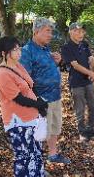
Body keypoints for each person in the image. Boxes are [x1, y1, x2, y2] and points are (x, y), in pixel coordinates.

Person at [0, 36, 47, 177]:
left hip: (31, 116)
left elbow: (30, 86)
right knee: (23, 154)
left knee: (35, 150)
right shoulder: (1, 73)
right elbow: (17, 98)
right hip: (17, 120)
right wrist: (38, 104)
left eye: (19, 48)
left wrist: (40, 102)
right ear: (4, 53)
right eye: (14, 49)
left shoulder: (18, 66)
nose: (18, 52)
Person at [20, 18, 70, 164]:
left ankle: (53, 155)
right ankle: (36, 162)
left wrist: (57, 62)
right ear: (36, 32)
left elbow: (46, 69)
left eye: (51, 31)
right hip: (40, 98)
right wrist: (34, 100)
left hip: (54, 95)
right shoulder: (27, 51)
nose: (51, 35)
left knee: (54, 127)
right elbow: (24, 78)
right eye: (47, 31)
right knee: (39, 131)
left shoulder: (46, 49)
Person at [61, 22, 94, 142]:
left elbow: (91, 59)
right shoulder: (66, 47)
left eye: (82, 31)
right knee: (80, 109)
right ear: (71, 32)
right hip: (76, 83)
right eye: (78, 31)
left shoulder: (84, 44)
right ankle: (82, 132)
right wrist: (91, 74)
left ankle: (91, 128)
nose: (81, 34)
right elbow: (75, 65)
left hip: (88, 82)